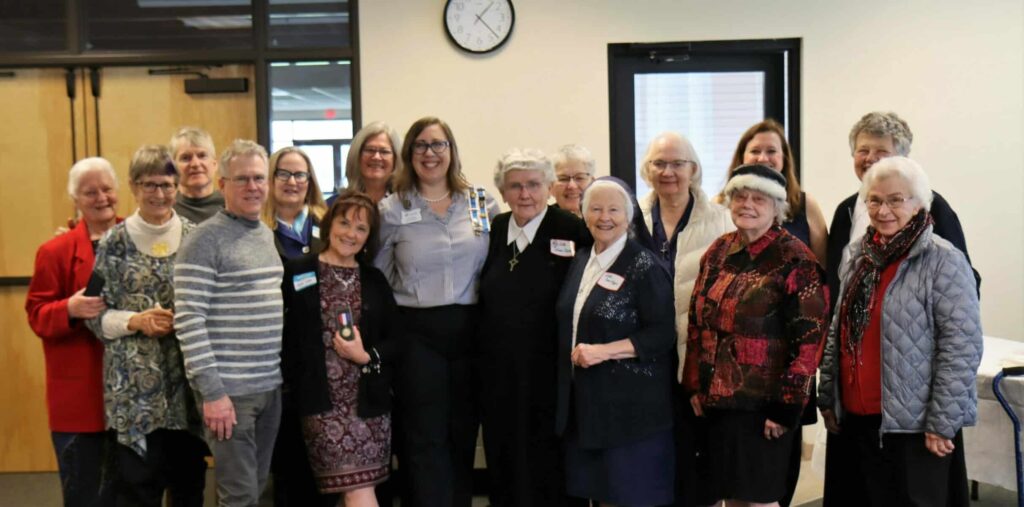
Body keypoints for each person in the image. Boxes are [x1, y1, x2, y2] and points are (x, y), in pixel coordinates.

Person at [817, 157, 982, 507]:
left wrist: (942, 421)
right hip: (856, 421)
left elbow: (961, 347)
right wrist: (828, 395)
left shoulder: (944, 261)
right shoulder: (859, 256)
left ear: (920, 202)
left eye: (896, 199)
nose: (883, 209)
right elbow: (838, 329)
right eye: (874, 200)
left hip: (912, 427)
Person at [684, 165, 828, 507]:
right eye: (740, 197)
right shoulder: (719, 250)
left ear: (777, 208)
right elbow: (697, 323)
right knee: (731, 498)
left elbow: (810, 344)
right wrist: (694, 385)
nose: (747, 204)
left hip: (764, 408)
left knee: (760, 501)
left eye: (758, 199)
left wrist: (785, 409)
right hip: (718, 404)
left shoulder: (796, 259)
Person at [375, 116, 500, 507]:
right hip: (416, 333)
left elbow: (496, 265)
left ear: (452, 151)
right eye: (421, 146)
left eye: (438, 144)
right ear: (409, 154)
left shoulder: (481, 202)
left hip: (470, 329)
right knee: (424, 435)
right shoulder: (392, 209)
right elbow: (378, 276)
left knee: (463, 431)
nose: (430, 153)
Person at [84, 145, 207, 506]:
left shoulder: (195, 237)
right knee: (137, 490)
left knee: (189, 488)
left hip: (187, 387)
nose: (160, 193)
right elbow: (92, 312)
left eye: (168, 184)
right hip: (133, 393)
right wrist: (135, 321)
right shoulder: (112, 243)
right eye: (150, 185)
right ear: (134, 186)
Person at [174, 139, 284, 506]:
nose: (253, 187)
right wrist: (213, 393)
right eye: (242, 179)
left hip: (269, 388)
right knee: (239, 497)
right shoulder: (204, 240)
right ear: (222, 185)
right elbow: (189, 319)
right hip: (230, 394)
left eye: (259, 178)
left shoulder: (265, 234)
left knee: (254, 488)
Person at [478, 149, 591, 507]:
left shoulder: (572, 229)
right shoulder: (496, 230)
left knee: (548, 462)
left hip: (551, 372)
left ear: (549, 188)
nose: (524, 194)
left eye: (533, 185)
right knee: (505, 456)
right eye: (515, 186)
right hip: (500, 372)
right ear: (502, 191)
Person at [554, 179, 676, 506]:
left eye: (613, 209)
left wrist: (603, 352)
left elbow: (662, 334)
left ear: (629, 215)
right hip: (588, 406)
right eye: (595, 208)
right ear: (583, 214)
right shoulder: (581, 260)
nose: (604, 217)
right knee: (601, 495)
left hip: (631, 409)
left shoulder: (645, 265)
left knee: (630, 496)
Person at [632, 132, 735, 507]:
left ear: (694, 169)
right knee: (653, 453)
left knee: (698, 457)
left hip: (699, 357)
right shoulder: (632, 218)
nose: (668, 171)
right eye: (659, 163)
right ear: (647, 169)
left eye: (677, 163)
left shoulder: (721, 221)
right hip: (646, 355)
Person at [281, 190, 401, 507]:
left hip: (368, 407)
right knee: (353, 490)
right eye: (344, 222)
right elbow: (285, 336)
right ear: (329, 223)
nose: (350, 233)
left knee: (359, 489)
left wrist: (366, 356)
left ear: (368, 237)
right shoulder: (297, 272)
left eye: (360, 228)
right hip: (319, 405)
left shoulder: (374, 280)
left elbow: (398, 340)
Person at [26, 157, 122, 506]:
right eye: (90, 192)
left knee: (131, 494)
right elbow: (36, 314)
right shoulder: (55, 251)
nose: (101, 198)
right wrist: (69, 308)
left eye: (107, 189)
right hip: (80, 400)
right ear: (75, 200)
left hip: (134, 397)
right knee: (84, 494)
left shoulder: (139, 237)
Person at [826, 111, 979, 312]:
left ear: (902, 159)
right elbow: (835, 280)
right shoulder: (845, 210)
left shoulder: (932, 207)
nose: (870, 159)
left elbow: (963, 283)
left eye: (881, 151)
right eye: (863, 150)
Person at [261, 146, 328, 259]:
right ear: (270, 179)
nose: (292, 182)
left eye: (300, 175)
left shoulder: (328, 222)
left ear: (310, 182)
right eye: (283, 174)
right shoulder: (257, 227)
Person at [171, 126, 225, 223]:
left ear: (215, 164)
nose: (195, 164)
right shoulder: (166, 209)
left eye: (202, 155)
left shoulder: (233, 207)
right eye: (185, 158)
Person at [343, 122, 402, 204]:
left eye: (384, 151)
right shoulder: (337, 205)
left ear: (396, 159)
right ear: (357, 155)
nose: (376, 157)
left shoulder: (407, 204)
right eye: (370, 150)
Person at [550, 144, 595, 216]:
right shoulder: (539, 224)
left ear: (593, 183)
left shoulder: (605, 221)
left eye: (579, 178)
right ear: (551, 186)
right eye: (563, 179)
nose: (572, 186)